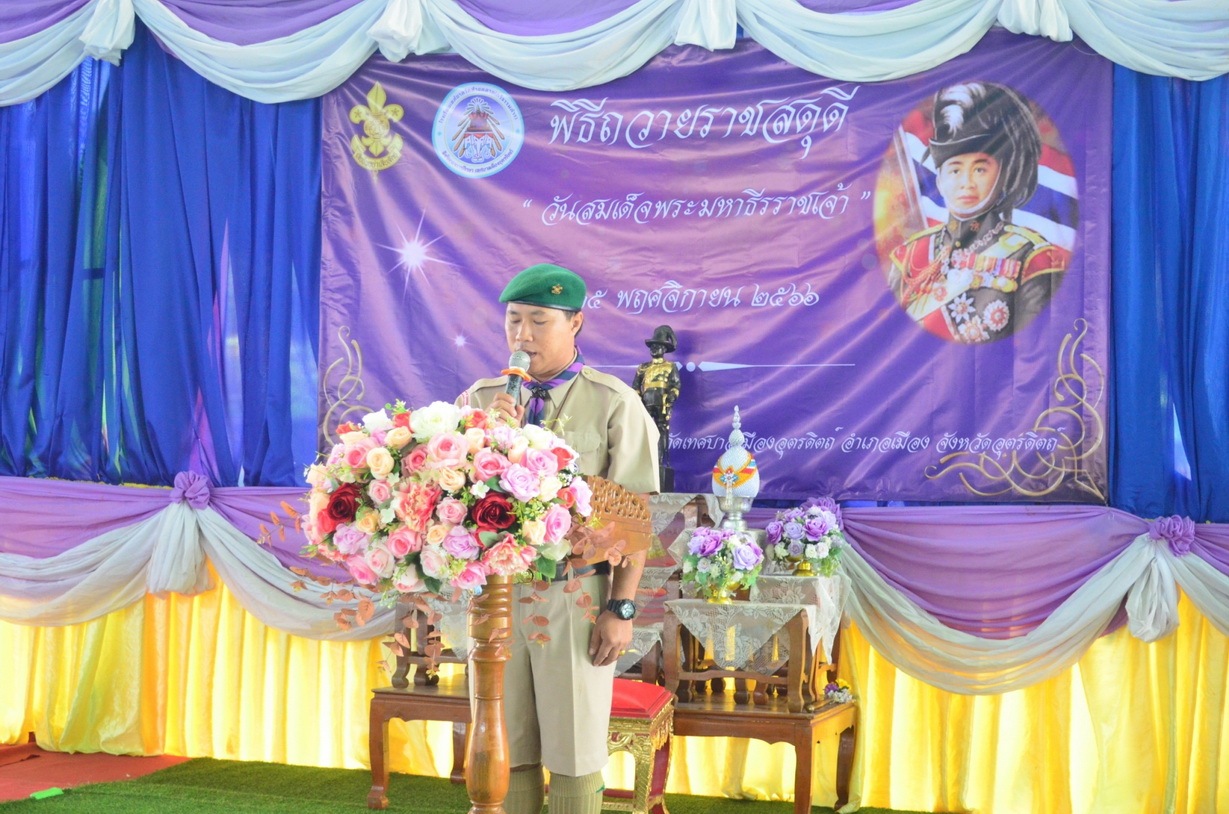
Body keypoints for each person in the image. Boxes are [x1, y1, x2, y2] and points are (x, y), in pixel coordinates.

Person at [460, 262, 660, 814]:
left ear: (575, 323)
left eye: (538, 321)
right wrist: (486, 437)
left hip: (575, 596)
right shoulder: (479, 399)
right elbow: (452, 499)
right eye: (513, 321)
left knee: (574, 750)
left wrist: (620, 607)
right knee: (506, 741)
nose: (522, 336)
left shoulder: (614, 401)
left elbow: (635, 520)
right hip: (494, 598)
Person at [889, 82, 1070, 344]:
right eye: (955, 169)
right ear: (939, 180)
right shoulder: (908, 256)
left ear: (1003, 176)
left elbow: (1034, 346)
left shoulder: (1033, 259)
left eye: (980, 169)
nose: (967, 183)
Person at [632, 324, 680, 469]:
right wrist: (639, 398)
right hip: (646, 402)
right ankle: (644, 461)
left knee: (662, 431)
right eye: (652, 346)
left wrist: (672, 395)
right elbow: (635, 386)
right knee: (644, 431)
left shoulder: (670, 366)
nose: (654, 348)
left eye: (658, 346)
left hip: (662, 402)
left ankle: (660, 460)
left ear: (664, 349)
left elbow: (676, 384)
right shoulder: (643, 367)